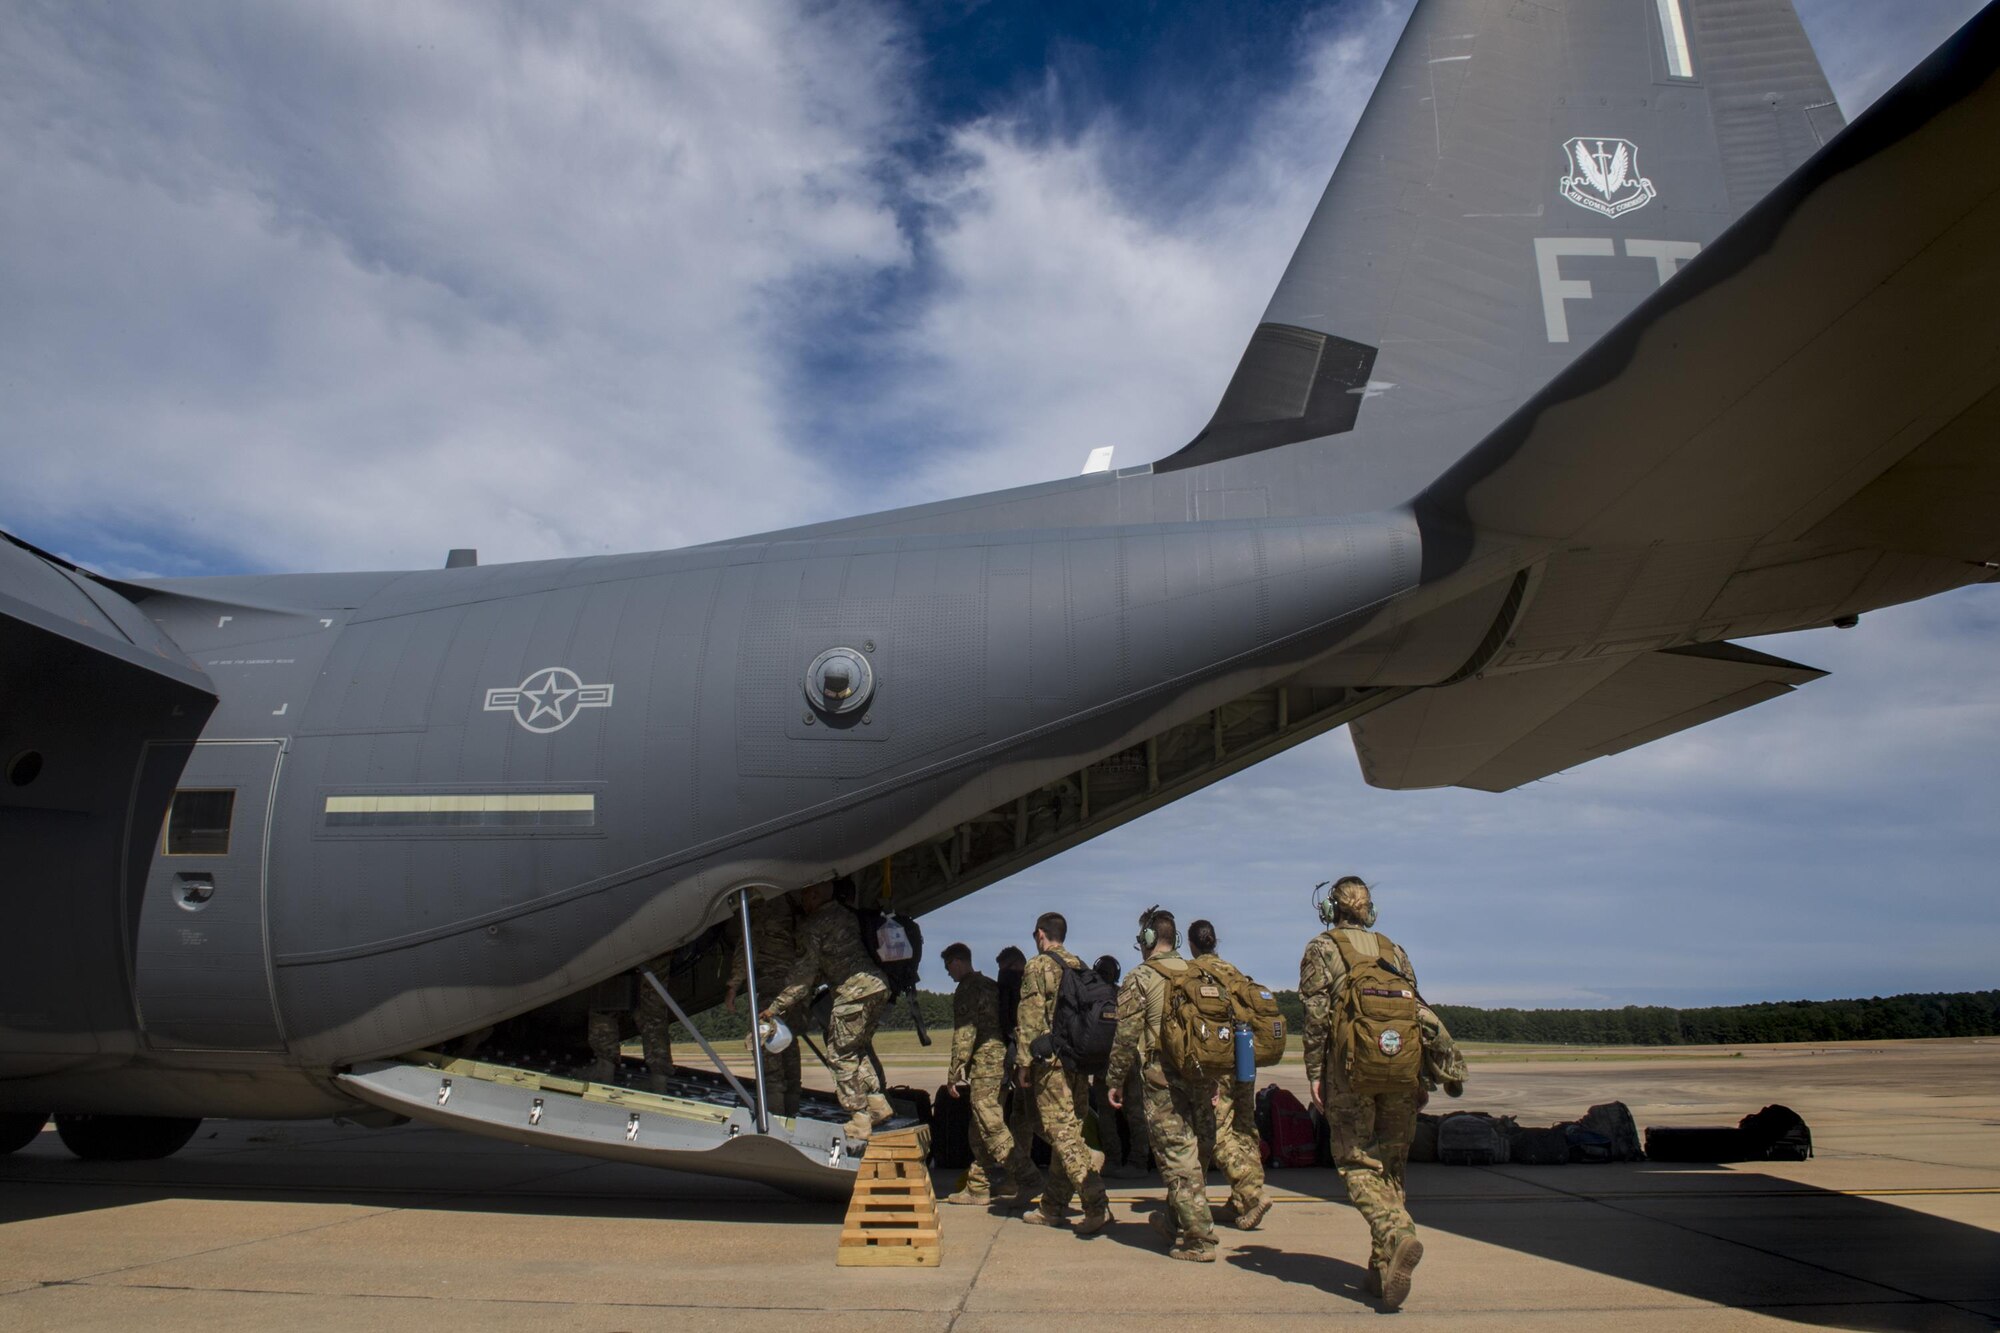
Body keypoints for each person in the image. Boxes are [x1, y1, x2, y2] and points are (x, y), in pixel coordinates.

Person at [1300, 875, 1437, 1310]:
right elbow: (1417, 1009)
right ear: (1370, 911)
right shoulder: (1394, 950)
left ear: (1330, 911)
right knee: (1392, 1167)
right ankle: (1382, 1269)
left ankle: (1397, 1234)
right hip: (1400, 1069)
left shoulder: (1322, 948)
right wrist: (1421, 1077)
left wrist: (1315, 1072)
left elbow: (1316, 1017)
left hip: (1350, 1072)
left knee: (1356, 1161)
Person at [1106, 905, 1216, 1261]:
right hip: (1200, 1072)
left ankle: (1200, 1240)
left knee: (1176, 1155)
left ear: (1149, 938)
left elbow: (1126, 1036)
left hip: (1162, 1076)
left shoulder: (1141, 977)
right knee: (1194, 1151)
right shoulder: (1200, 973)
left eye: (1142, 937)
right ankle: (1175, 1221)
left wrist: (1115, 1079)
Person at [763, 879, 892, 1140]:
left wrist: (774, 1007)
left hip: (853, 993)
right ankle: (878, 1104)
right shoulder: (845, 915)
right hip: (878, 986)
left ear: (814, 895)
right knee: (856, 1048)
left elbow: (804, 976)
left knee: (839, 1056)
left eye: (805, 896)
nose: (803, 902)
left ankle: (859, 1119)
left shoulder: (812, 926)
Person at [1015, 912, 1110, 1234]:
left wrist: (1024, 1063)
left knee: (1063, 1134)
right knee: (1067, 1130)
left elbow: (1029, 1016)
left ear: (1040, 934)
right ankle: (1052, 1207)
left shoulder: (1038, 965)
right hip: (1077, 1062)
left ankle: (1095, 1201)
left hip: (1050, 1063)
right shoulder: (1079, 964)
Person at [1186, 919, 1270, 1230]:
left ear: (1192, 944)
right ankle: (1244, 1198)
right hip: (1245, 1058)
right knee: (1245, 1129)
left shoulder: (1195, 973)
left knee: (1218, 1132)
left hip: (1219, 1061)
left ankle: (1250, 1196)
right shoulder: (1233, 971)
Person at [940, 941, 1037, 1205]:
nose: (948, 973)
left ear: (957, 962)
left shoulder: (968, 988)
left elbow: (965, 1031)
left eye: (948, 967)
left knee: (990, 1124)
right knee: (981, 1125)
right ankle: (979, 1185)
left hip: (986, 1063)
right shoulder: (991, 985)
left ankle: (1025, 1175)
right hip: (1003, 1061)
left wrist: (954, 1070)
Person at [724, 892, 804, 1116]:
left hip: (771, 990)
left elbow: (746, 948)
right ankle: (792, 1109)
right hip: (793, 991)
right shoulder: (788, 905)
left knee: (768, 1051)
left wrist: (732, 986)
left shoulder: (758, 912)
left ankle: (775, 1113)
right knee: (789, 1048)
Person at [1089, 954, 1150, 1180]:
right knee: (1135, 1114)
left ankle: (1113, 1160)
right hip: (1127, 1059)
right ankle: (1138, 1161)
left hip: (1102, 1061)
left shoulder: (1093, 998)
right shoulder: (1124, 995)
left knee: (1107, 1116)